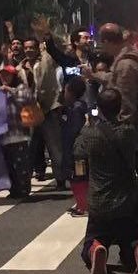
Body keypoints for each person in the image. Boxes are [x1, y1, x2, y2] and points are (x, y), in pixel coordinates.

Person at [74, 88, 138, 274]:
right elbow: (137, 144)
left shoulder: (90, 133)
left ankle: (96, 249)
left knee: (93, 240)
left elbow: (77, 152)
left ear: (99, 108)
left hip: (100, 201)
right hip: (126, 201)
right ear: (119, 108)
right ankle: (137, 249)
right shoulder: (128, 132)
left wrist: (86, 126)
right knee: (130, 239)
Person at [18, 36, 65, 189]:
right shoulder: (21, 68)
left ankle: (60, 179)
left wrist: (45, 39)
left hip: (48, 108)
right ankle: (25, 181)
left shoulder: (46, 60)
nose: (28, 50)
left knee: (54, 146)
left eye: (32, 47)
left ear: (38, 47)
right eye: (26, 48)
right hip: (30, 110)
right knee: (29, 147)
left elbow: (51, 52)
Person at [0, 64, 34, 199]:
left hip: (19, 135)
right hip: (4, 135)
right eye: (3, 74)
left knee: (21, 165)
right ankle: (14, 189)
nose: (5, 77)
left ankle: (24, 190)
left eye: (8, 74)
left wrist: (10, 90)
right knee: (9, 166)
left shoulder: (21, 88)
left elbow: (27, 99)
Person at [61, 77, 89, 216]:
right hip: (76, 149)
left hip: (77, 151)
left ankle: (83, 206)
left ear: (71, 92)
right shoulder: (77, 106)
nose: (63, 93)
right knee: (77, 177)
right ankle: (80, 204)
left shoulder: (77, 109)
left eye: (65, 90)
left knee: (78, 177)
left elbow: (74, 130)